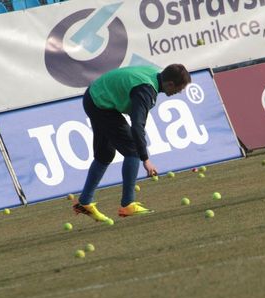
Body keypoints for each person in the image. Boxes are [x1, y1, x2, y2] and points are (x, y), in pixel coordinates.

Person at [73, 64, 191, 221]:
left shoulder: (153, 75)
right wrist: (145, 159)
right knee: (133, 150)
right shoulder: (146, 90)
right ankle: (127, 204)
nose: (179, 92)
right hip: (100, 103)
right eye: (179, 88)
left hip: (95, 95)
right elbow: (137, 126)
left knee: (105, 154)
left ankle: (84, 202)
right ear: (170, 84)